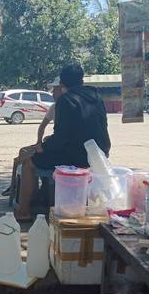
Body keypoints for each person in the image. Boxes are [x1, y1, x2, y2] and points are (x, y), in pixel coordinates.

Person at [15, 63, 111, 221]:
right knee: (42, 153)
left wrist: (42, 147)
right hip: (99, 153)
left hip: (75, 155)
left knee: (29, 163)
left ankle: (23, 211)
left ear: (62, 84)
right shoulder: (96, 98)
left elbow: (61, 137)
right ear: (81, 80)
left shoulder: (66, 100)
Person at [2, 85, 61, 198]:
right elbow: (42, 126)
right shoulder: (54, 107)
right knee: (22, 152)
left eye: (55, 90)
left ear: (62, 89)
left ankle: (24, 201)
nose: (53, 93)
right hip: (56, 145)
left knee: (26, 157)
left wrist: (43, 144)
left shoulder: (62, 107)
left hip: (58, 151)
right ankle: (15, 184)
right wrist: (39, 142)